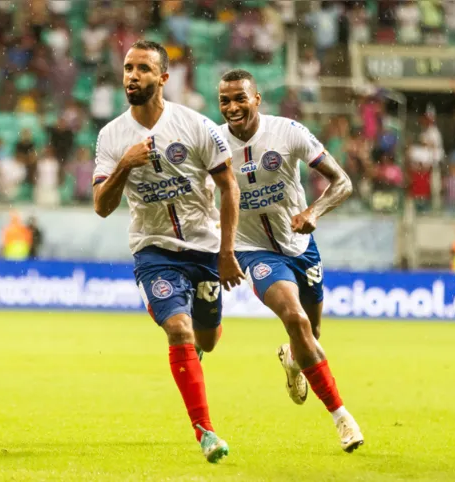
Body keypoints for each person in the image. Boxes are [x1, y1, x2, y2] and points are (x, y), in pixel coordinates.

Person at [92, 40, 244, 464]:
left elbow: (229, 187)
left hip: (205, 249)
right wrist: (124, 164)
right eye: (127, 68)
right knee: (180, 330)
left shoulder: (197, 126)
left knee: (208, 341)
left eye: (142, 68)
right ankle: (206, 432)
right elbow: (102, 207)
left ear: (163, 78)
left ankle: (188, 334)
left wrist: (228, 251)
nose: (132, 76)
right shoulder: (111, 137)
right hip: (153, 249)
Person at [217, 69, 364, 453]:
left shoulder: (288, 132)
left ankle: (294, 358)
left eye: (240, 98)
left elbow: (343, 181)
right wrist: (224, 252)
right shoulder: (214, 145)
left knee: (311, 336)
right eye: (225, 100)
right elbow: (199, 204)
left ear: (257, 99)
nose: (232, 107)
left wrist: (314, 211)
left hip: (300, 246)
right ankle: (342, 418)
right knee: (296, 319)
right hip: (255, 251)